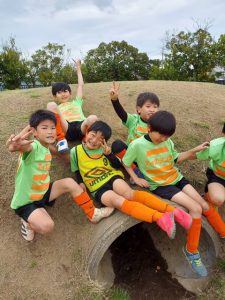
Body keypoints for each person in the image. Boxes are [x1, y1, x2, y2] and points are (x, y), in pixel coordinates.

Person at [122, 110, 225, 277]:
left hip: (176, 177)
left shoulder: (167, 142)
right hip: (161, 185)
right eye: (160, 135)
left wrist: (194, 150)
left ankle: (223, 232)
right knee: (196, 209)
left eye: (167, 136)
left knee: (204, 205)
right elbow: (126, 162)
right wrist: (136, 178)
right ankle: (191, 251)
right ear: (149, 127)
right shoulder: (137, 145)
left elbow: (176, 159)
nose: (163, 139)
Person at [70, 120, 192, 241]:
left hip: (112, 177)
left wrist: (109, 154)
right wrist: (81, 183)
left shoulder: (104, 150)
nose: (95, 140)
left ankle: (175, 212)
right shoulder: (75, 151)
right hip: (97, 187)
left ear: (104, 141)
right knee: (118, 201)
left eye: (100, 139)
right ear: (87, 133)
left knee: (129, 194)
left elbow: (117, 165)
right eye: (93, 135)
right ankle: (160, 218)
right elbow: (77, 170)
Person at [6, 110, 114, 242]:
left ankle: (93, 213)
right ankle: (27, 222)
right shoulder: (33, 147)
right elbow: (22, 148)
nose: (50, 131)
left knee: (69, 182)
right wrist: (13, 146)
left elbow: (51, 149)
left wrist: (60, 154)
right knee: (47, 226)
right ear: (34, 132)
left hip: (43, 191)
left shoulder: (44, 146)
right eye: (44, 128)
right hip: (26, 201)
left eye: (52, 127)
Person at [109, 82, 160, 179]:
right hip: (131, 155)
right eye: (148, 106)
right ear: (139, 109)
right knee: (117, 145)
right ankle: (134, 170)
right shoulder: (134, 120)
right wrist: (115, 100)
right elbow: (122, 114)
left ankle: (135, 170)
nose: (152, 109)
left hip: (146, 159)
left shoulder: (158, 125)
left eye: (155, 107)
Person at [47, 59, 98, 153]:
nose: (63, 94)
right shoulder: (57, 107)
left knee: (93, 118)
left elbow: (80, 85)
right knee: (51, 105)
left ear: (70, 93)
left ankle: (87, 139)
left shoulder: (76, 102)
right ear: (55, 96)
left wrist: (78, 68)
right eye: (59, 92)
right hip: (66, 127)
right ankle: (61, 140)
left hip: (81, 126)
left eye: (65, 91)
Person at [196, 123, 225, 210]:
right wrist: (176, 158)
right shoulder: (216, 146)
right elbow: (196, 155)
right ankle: (207, 197)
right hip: (217, 176)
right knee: (217, 199)